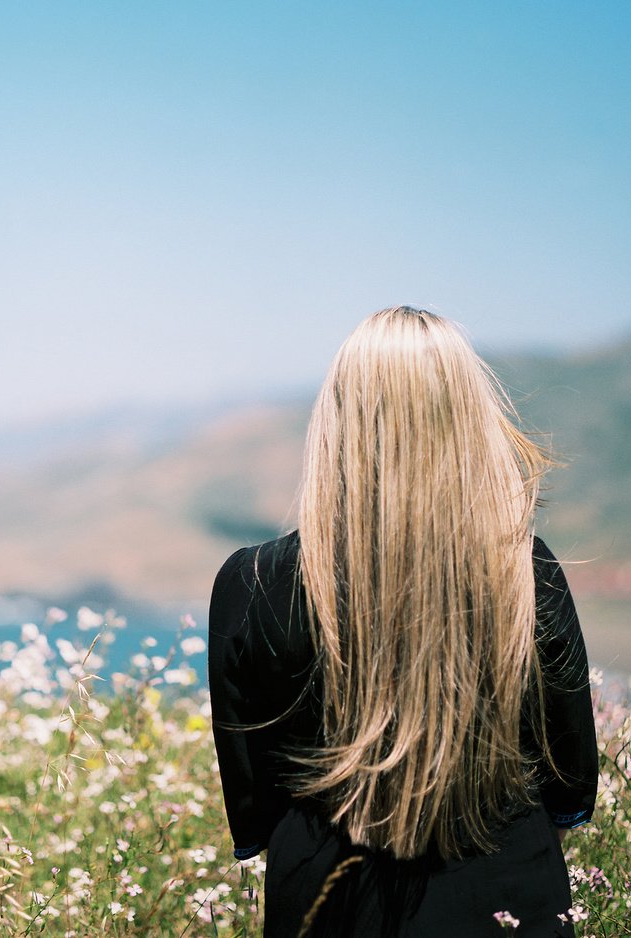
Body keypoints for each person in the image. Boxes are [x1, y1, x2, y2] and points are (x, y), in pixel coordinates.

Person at [209, 306, 598, 937]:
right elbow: (571, 782)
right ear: (470, 418)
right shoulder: (525, 569)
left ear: (334, 421)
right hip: (509, 897)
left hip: (326, 907)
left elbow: (252, 812)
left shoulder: (251, 584)